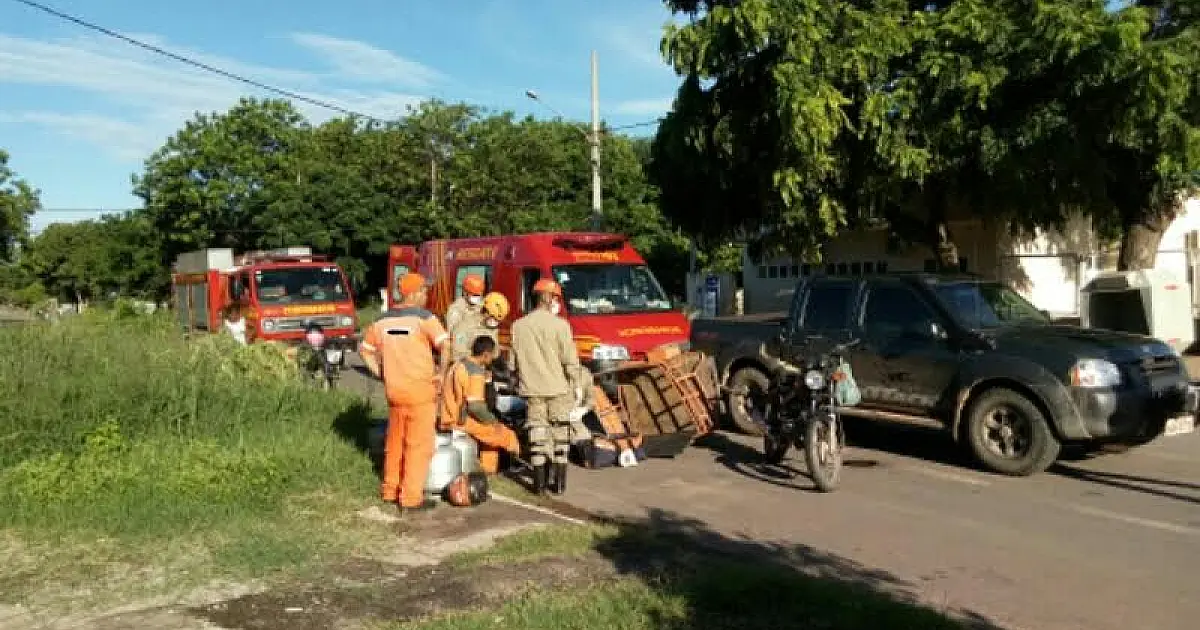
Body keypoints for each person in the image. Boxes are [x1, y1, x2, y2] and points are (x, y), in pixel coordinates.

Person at [359, 272, 452, 514]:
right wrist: (441, 373)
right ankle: (411, 498)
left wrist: (381, 373)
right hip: (420, 391)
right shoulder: (425, 318)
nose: (426, 295)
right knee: (419, 445)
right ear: (414, 293)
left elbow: (365, 350)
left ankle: (390, 490)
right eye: (424, 291)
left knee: (395, 442)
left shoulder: (382, 321)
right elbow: (445, 345)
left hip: (395, 392)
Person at [510, 278, 581, 495]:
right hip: (559, 389)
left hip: (532, 391)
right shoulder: (561, 325)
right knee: (561, 436)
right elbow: (570, 360)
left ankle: (538, 486)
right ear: (548, 297)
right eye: (556, 298)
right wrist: (577, 385)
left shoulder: (518, 326)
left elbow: (512, 364)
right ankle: (559, 485)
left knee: (537, 436)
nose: (557, 302)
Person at [442, 335, 521, 475]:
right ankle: (514, 465)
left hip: (448, 414)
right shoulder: (475, 372)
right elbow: (476, 406)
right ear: (486, 354)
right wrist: (493, 421)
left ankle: (488, 470)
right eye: (491, 356)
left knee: (490, 437)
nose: (492, 360)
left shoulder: (458, 364)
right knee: (507, 435)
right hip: (460, 420)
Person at [451, 291, 509, 360]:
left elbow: (495, 352)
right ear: (486, 313)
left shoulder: (492, 328)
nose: (495, 323)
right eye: (494, 318)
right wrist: (478, 359)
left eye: (498, 321)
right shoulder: (464, 327)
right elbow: (458, 354)